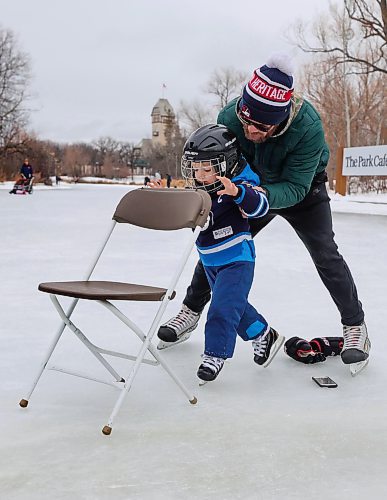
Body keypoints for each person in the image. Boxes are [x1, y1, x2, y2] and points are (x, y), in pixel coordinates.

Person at [158, 53, 370, 370]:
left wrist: (255, 195)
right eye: (246, 121)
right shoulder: (231, 115)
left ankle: (355, 326)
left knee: (325, 252)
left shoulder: (308, 127)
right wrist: (229, 192)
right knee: (218, 241)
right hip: (250, 185)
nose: (249, 130)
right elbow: (225, 160)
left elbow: (295, 188)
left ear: (281, 119)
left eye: (260, 126)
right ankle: (190, 309)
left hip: (303, 189)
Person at [155, 124, 284, 383]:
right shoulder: (200, 189)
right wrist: (162, 194)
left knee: (222, 308)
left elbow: (260, 206)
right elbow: (183, 214)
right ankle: (264, 335)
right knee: (236, 308)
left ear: (226, 164)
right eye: (196, 169)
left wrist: (238, 193)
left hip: (237, 259)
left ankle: (214, 355)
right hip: (210, 261)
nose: (200, 175)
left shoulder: (241, 183)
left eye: (207, 168)